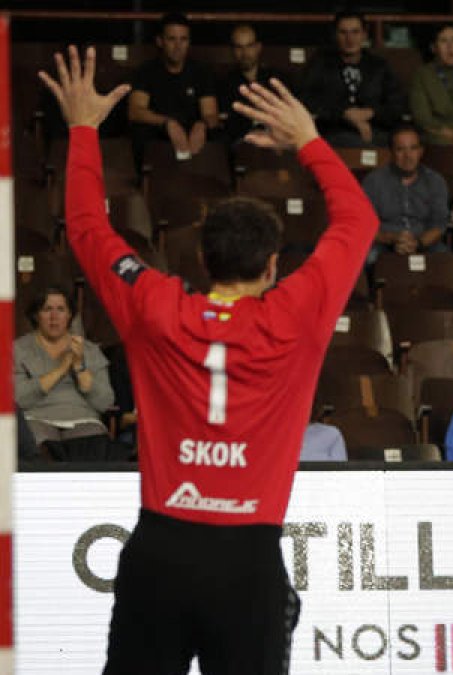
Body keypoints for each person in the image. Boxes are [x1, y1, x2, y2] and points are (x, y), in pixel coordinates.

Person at [40, 45, 377, 672]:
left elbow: (87, 228)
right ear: (272, 266)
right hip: (248, 562)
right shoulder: (295, 315)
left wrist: (83, 129)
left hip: (160, 553)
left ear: (201, 261)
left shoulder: (156, 306)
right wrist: (309, 139)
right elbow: (357, 222)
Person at [13, 285, 115, 447]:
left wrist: (79, 367)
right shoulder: (18, 349)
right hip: (35, 419)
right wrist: (62, 369)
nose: (54, 317)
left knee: (92, 447)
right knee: (37, 446)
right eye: (47, 309)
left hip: (84, 420)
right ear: (36, 315)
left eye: (61, 309)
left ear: (69, 315)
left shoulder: (90, 350)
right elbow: (17, 399)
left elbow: (105, 403)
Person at [299, 10, 406, 147]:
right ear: (335, 35)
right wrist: (344, 113)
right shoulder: (321, 64)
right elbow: (307, 99)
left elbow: (397, 105)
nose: (350, 39)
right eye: (343, 32)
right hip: (333, 132)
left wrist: (370, 113)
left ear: (364, 34)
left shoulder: (379, 66)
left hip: (376, 131)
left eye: (355, 32)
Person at [128, 13, 219, 165]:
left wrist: (202, 125)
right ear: (160, 41)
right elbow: (135, 111)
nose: (178, 46)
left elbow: (211, 114)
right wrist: (168, 123)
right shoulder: (146, 71)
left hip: (192, 135)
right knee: (140, 132)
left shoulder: (201, 72)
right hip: (159, 133)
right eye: (172, 39)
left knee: (218, 135)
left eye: (183, 39)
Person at [361, 124, 450, 265]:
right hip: (384, 242)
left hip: (423, 242)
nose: (408, 156)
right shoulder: (373, 181)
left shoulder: (435, 181)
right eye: (400, 149)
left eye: (413, 148)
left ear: (421, 151)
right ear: (391, 152)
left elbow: (439, 225)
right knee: (368, 257)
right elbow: (365, 225)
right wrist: (392, 238)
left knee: (445, 260)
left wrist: (417, 243)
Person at [218, 23, 288, 143]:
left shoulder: (277, 80)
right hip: (240, 144)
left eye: (249, 46)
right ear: (232, 50)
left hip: (275, 143)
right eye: (239, 47)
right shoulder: (224, 84)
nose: (245, 53)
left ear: (258, 47)